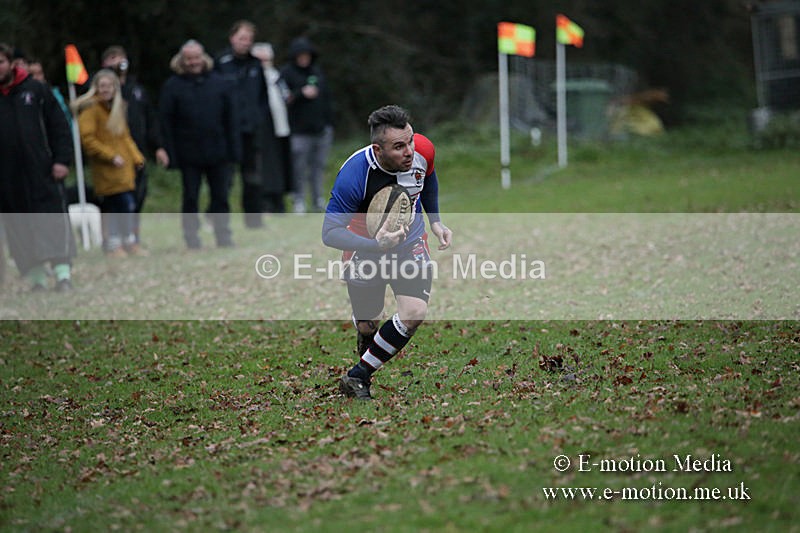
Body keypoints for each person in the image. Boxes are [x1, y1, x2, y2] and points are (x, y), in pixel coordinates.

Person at [322, 105, 453, 400]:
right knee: (369, 322)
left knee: (414, 312)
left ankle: (358, 375)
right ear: (378, 149)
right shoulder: (355, 175)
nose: (409, 151)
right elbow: (329, 232)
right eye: (398, 147)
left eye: (410, 141)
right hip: (363, 246)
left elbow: (428, 177)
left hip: (410, 242)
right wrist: (376, 245)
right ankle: (366, 334)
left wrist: (435, 221)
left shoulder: (422, 150)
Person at [0, 43, 75, 291]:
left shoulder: (36, 90)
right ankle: (37, 279)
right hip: (8, 178)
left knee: (51, 221)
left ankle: (63, 275)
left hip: (43, 172)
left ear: (11, 63)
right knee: (19, 227)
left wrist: (62, 160)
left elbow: (60, 126)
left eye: (0, 62)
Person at [160, 40, 240, 249]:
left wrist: (234, 150)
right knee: (190, 197)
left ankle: (223, 236)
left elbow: (231, 119)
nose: (193, 62)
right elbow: (166, 122)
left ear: (203, 58)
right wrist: (169, 152)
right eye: (189, 59)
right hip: (188, 153)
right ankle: (191, 238)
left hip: (218, 151)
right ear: (182, 60)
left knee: (221, 196)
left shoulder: (219, 83)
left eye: (196, 57)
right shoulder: (172, 87)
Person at [72, 69, 145, 258]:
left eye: (109, 86)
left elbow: (125, 137)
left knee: (128, 205)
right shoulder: (90, 110)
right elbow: (88, 139)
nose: (105, 90)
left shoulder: (117, 108)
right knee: (114, 207)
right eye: (102, 86)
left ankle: (129, 241)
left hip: (124, 169)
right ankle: (113, 243)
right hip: (107, 169)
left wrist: (136, 157)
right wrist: (110, 156)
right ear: (96, 87)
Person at [100, 46, 169, 245]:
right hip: (113, 155)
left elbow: (150, 120)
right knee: (117, 199)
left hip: (137, 152)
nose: (118, 63)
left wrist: (158, 146)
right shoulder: (103, 92)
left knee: (137, 197)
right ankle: (113, 240)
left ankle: (133, 238)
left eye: (121, 58)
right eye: (113, 58)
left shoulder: (137, 90)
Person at [215, 20, 273, 228]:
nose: (245, 42)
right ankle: (218, 219)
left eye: (249, 39)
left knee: (253, 177)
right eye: (242, 38)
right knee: (224, 177)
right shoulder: (221, 63)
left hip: (251, 130)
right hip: (227, 131)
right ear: (232, 38)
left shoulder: (256, 65)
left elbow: (263, 97)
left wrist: (258, 118)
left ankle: (253, 220)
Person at [280, 36, 335, 213]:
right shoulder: (286, 73)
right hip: (298, 131)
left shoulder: (317, 72)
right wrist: (301, 93)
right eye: (301, 55)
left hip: (321, 129)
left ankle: (318, 200)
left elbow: (326, 98)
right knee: (299, 168)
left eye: (307, 55)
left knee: (318, 167)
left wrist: (329, 123)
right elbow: (284, 98)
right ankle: (299, 200)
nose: (304, 58)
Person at [251, 42, 293, 213]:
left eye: (267, 59)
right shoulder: (252, 78)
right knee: (263, 167)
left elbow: (286, 96)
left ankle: (279, 200)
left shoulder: (276, 76)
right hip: (261, 129)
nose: (264, 63)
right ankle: (265, 202)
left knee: (279, 165)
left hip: (280, 128)